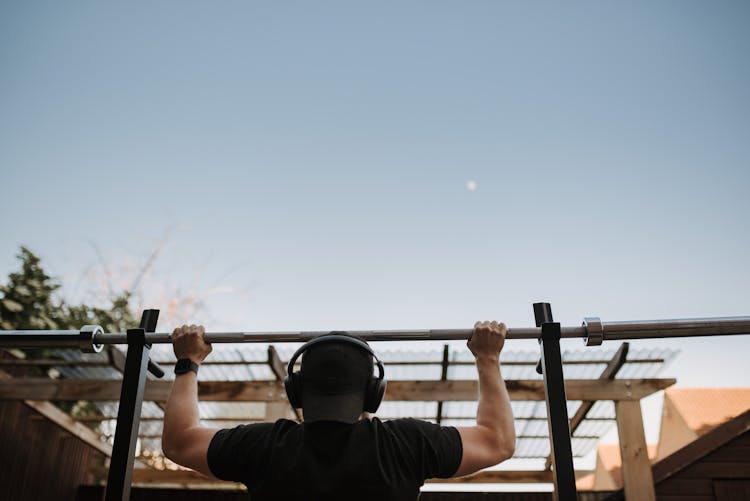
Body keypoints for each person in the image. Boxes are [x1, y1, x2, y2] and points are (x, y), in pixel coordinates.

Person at [162, 321, 515, 500]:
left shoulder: (265, 446)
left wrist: (187, 363)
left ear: (295, 391)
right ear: (373, 393)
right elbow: (497, 441)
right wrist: (487, 358)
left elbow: (179, 442)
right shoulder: (405, 444)